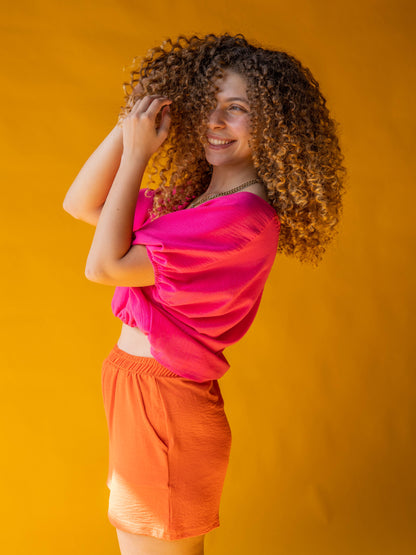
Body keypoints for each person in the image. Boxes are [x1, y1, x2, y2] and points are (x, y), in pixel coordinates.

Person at [63, 33, 346, 555]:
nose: (215, 121)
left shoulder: (242, 217)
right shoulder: (195, 200)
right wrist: (131, 127)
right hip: (139, 392)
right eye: (208, 105)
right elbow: (81, 204)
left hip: (164, 404)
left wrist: (137, 158)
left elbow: (104, 266)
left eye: (236, 108)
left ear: (275, 125)